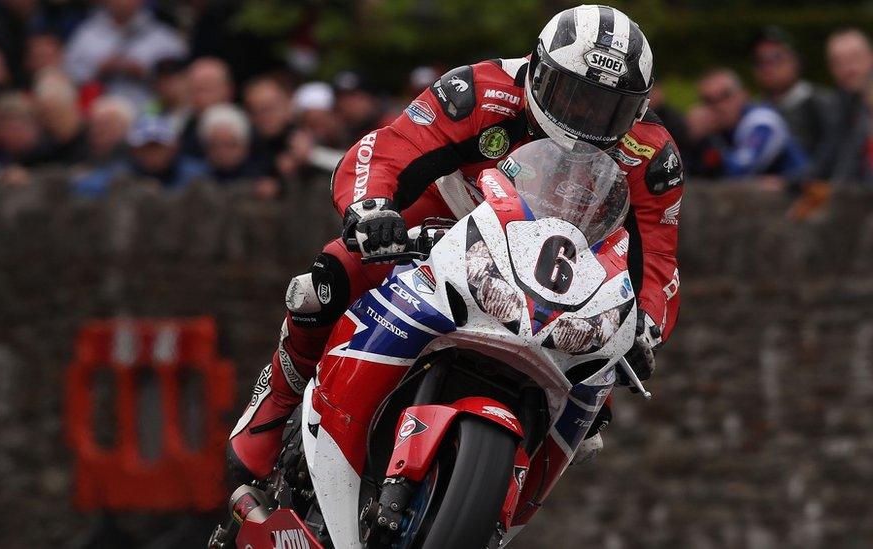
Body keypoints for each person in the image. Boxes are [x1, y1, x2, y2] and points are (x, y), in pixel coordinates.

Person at [228, 5, 684, 482]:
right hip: (447, 218)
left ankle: (504, 498)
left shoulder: (652, 155)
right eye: (574, 96)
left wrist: (647, 326)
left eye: (607, 107)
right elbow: (387, 148)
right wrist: (370, 208)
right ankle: (275, 401)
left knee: (596, 400)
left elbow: (657, 259)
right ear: (540, 70)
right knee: (329, 277)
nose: (585, 116)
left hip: (557, 269)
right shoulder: (478, 91)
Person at [687, 68, 808, 181]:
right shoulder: (712, 129)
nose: (719, 106)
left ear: (743, 94)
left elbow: (739, 171)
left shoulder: (762, 121)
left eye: (726, 96)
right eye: (709, 101)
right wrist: (691, 139)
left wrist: (703, 143)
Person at [63, 0, 187, 107]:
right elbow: (68, 74)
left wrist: (148, 73)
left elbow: (182, 78)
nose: (122, 2)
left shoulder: (164, 37)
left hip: (151, 112)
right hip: (98, 114)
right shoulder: (86, 34)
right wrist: (98, 70)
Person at [751, 27, 837, 167]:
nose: (767, 67)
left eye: (776, 58)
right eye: (759, 60)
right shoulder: (755, 111)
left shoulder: (823, 103)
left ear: (796, 61)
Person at [73, 115, 208, 197]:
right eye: (145, 147)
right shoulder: (121, 171)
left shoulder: (193, 174)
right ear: (134, 150)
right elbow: (87, 186)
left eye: (157, 147)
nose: (152, 153)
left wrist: (163, 194)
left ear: (173, 148)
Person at [817, 29, 873, 183]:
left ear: (870, 57)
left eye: (854, 58)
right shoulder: (839, 106)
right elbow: (826, 161)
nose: (848, 69)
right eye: (839, 62)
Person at [199, 104, 275, 196]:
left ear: (245, 145)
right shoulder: (198, 184)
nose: (222, 152)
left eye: (230, 145)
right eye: (214, 146)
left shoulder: (264, 184)